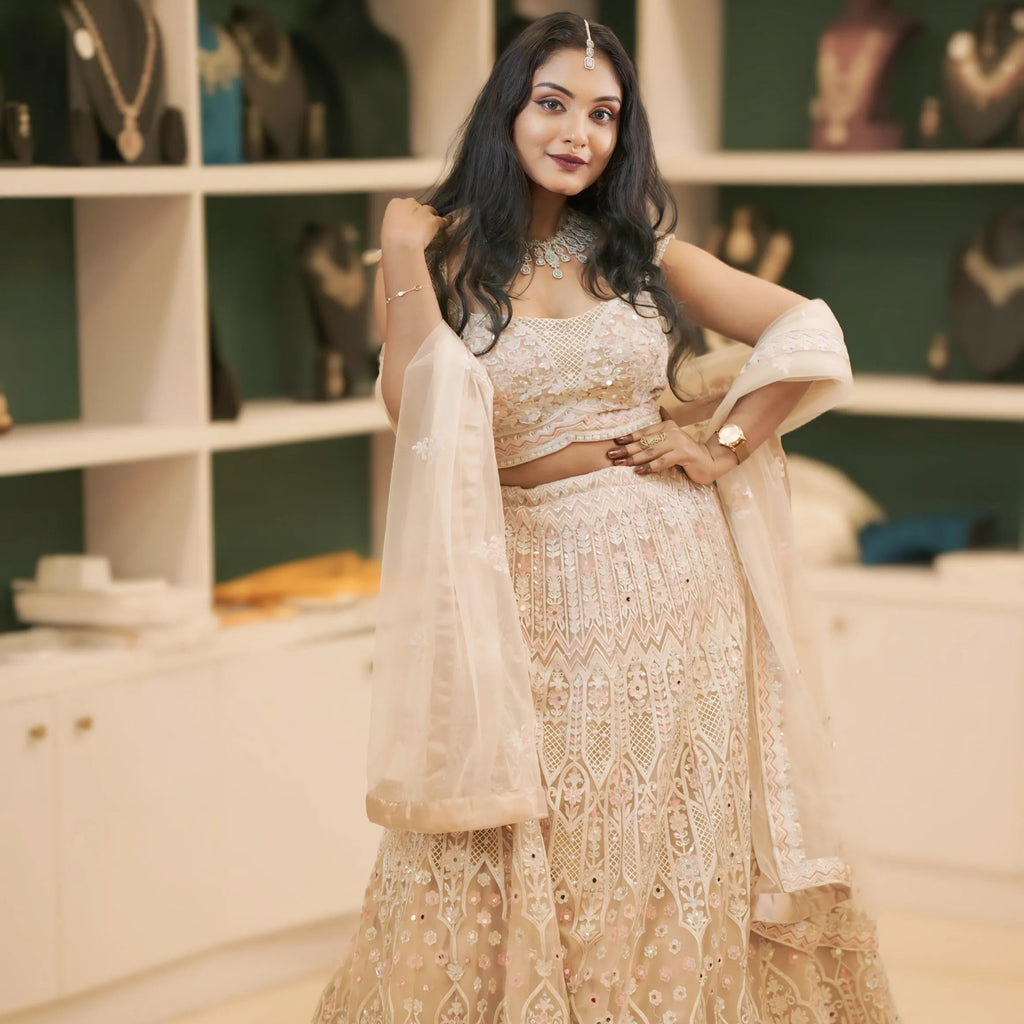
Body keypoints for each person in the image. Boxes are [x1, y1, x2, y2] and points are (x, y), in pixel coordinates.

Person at [312, 14, 899, 1024]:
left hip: (674, 584)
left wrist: (718, 447)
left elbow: (808, 331)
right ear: (506, 109)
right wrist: (401, 249)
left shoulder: (640, 256)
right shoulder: (446, 259)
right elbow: (413, 407)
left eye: (604, 114)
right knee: (547, 826)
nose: (577, 131)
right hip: (532, 590)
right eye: (553, 103)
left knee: (664, 828)